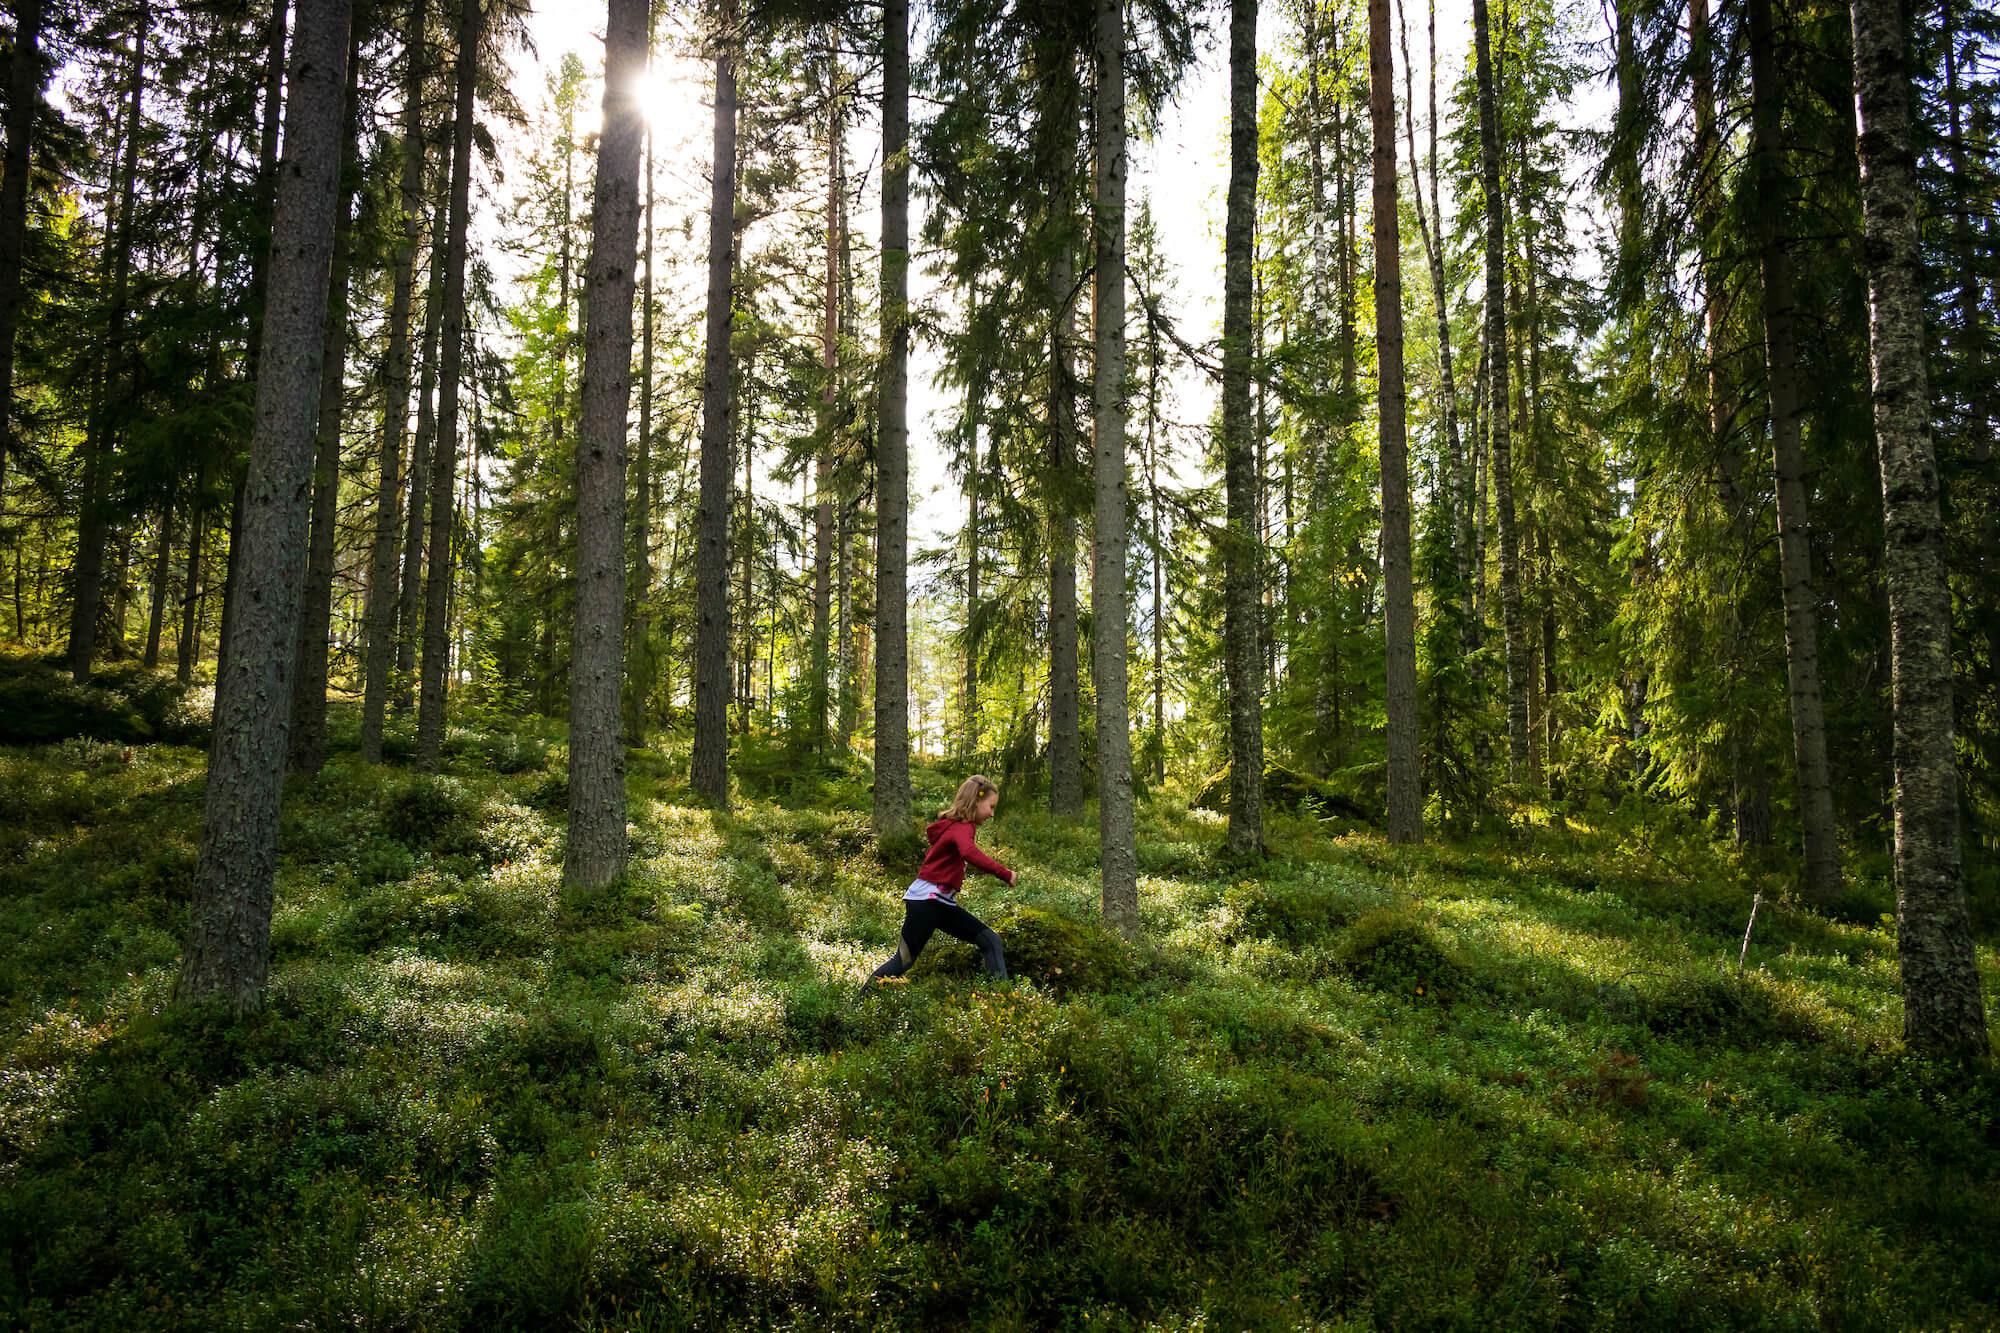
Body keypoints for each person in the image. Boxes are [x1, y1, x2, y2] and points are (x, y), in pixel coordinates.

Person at [862, 774, 1014, 990]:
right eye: (990, 806)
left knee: (990, 941)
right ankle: (861, 1001)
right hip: (929, 903)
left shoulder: (953, 826)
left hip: (938, 903)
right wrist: (1004, 873)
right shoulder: (963, 827)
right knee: (903, 960)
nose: (992, 813)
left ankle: (1003, 1001)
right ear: (976, 801)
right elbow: (968, 852)